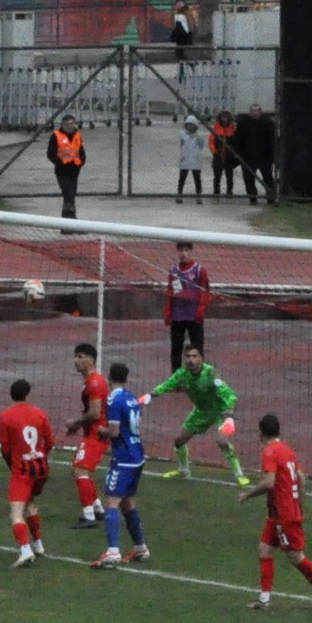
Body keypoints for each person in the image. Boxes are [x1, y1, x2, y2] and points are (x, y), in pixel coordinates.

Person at [241, 414, 312, 610]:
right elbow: (301, 478)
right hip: (280, 513)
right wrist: (297, 500)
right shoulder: (286, 449)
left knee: (296, 557)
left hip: (284, 514)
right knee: (264, 549)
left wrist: (248, 495)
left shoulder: (270, 452)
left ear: (260, 432)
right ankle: (264, 600)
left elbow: (269, 482)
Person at [142, 345, 248, 485]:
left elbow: (229, 394)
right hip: (201, 412)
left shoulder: (210, 373)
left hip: (220, 411)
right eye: (188, 356)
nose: (190, 360)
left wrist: (229, 416)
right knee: (179, 441)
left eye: (194, 356)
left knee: (222, 441)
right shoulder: (182, 374)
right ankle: (183, 469)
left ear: (201, 359)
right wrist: (150, 395)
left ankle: (239, 473)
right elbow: (166, 385)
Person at [90, 363, 150, 568]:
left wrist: (101, 431)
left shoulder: (113, 399)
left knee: (113, 502)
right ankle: (140, 547)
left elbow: (114, 432)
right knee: (128, 503)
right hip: (137, 455)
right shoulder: (132, 398)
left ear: (109, 377)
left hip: (123, 458)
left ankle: (113, 551)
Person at [0, 378, 54, 568]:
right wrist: (41, 456)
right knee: (30, 503)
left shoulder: (5, 417)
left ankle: (25, 550)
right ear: (27, 394)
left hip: (22, 471)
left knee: (16, 513)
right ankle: (38, 545)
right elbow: (50, 441)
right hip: (41, 469)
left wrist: (12, 463)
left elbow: (5, 449)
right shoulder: (39, 413)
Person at [63, 343, 110, 528]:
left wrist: (75, 422)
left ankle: (88, 516)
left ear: (90, 360)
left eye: (80, 356)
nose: (76, 360)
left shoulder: (94, 383)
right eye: (75, 356)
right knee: (79, 469)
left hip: (96, 434)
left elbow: (95, 413)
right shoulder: (94, 381)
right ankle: (98, 509)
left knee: (80, 470)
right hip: (94, 432)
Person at [162, 241, 211, 372]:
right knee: (176, 348)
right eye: (180, 251)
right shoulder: (173, 271)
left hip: (194, 316)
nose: (183, 254)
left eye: (186, 250)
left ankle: (199, 375)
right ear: (177, 252)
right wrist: (168, 313)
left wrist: (200, 311)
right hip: (178, 316)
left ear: (190, 252)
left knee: (197, 347)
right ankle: (176, 377)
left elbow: (205, 292)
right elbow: (171, 291)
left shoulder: (200, 270)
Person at [233, 104, 276, 205]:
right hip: (248, 157)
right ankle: (252, 197)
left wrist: (273, 156)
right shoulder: (243, 123)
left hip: (264, 156)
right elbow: (237, 139)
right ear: (250, 112)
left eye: (257, 111)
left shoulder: (268, 123)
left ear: (260, 111)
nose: (255, 113)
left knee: (268, 177)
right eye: (253, 111)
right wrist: (238, 153)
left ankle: (271, 197)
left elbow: (272, 141)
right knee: (248, 178)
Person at [46, 115, 85, 220]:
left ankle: (67, 223)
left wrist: (80, 163)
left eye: (71, 123)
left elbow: (81, 152)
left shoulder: (77, 135)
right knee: (69, 196)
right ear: (62, 124)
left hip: (74, 171)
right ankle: (71, 221)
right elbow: (50, 153)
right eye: (67, 124)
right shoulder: (56, 136)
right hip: (62, 172)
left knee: (70, 197)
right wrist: (60, 163)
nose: (69, 126)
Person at [209, 110, 237, 200]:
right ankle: (216, 192)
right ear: (220, 118)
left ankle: (229, 192)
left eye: (226, 117)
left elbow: (237, 141)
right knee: (217, 176)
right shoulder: (216, 128)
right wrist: (214, 152)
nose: (224, 119)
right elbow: (211, 141)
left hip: (229, 156)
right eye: (222, 117)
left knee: (229, 176)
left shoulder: (233, 129)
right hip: (218, 155)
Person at [176, 117, 205, 204]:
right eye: (188, 125)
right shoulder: (182, 134)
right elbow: (181, 144)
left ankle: (198, 195)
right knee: (182, 178)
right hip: (185, 159)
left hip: (195, 160)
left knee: (197, 179)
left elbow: (201, 146)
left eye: (191, 125)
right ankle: (179, 194)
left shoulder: (199, 136)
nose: (190, 126)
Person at [170, 0, 195, 78]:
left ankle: (189, 68)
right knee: (179, 55)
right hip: (179, 37)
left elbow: (190, 24)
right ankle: (182, 72)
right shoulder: (176, 13)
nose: (178, 5)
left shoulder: (186, 12)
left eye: (180, 3)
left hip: (185, 36)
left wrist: (190, 34)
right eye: (177, 3)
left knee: (183, 54)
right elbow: (174, 25)